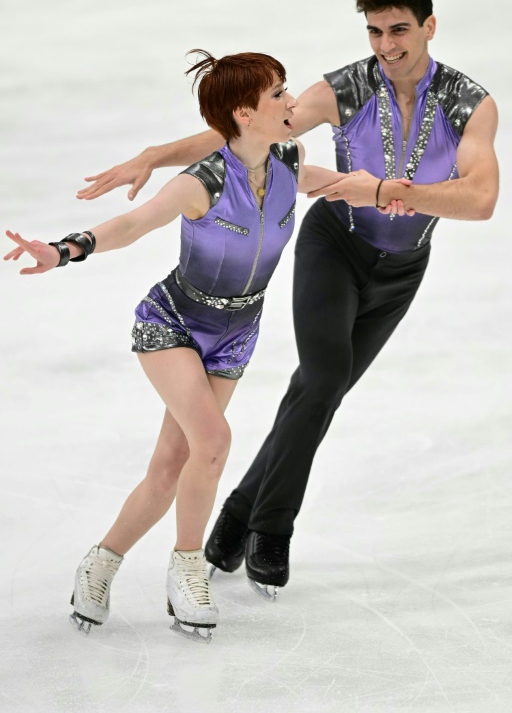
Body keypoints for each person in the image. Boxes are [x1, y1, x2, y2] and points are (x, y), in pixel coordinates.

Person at [76, 0, 500, 600]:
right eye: (375, 31)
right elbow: (246, 131)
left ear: (429, 26)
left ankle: (237, 513)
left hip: (404, 267)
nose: (386, 44)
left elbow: (482, 198)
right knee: (323, 380)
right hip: (334, 246)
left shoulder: (470, 103)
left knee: (316, 393)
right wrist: (152, 156)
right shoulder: (343, 89)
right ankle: (272, 530)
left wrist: (389, 191)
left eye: (400, 30)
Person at [4, 50, 351, 642]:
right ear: (244, 113)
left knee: (170, 468)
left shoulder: (289, 159)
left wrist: (390, 191)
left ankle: (101, 561)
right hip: (174, 326)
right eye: (278, 94)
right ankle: (187, 568)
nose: (292, 103)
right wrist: (63, 250)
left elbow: (335, 184)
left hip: (236, 334)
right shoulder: (202, 182)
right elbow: (134, 225)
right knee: (212, 442)